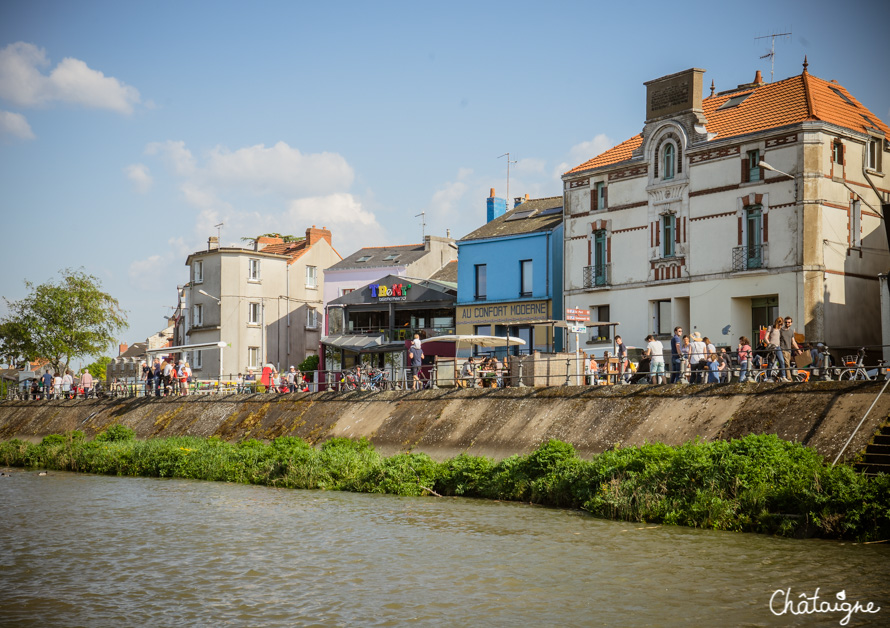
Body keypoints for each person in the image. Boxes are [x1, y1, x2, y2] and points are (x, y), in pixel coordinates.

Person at [779, 316, 800, 380]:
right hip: (783, 349)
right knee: (787, 364)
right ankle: (789, 379)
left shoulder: (791, 331)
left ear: (791, 323)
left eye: (789, 322)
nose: (787, 323)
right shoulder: (781, 331)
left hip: (789, 351)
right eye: (786, 322)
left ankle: (777, 377)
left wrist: (798, 350)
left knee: (785, 365)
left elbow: (793, 342)